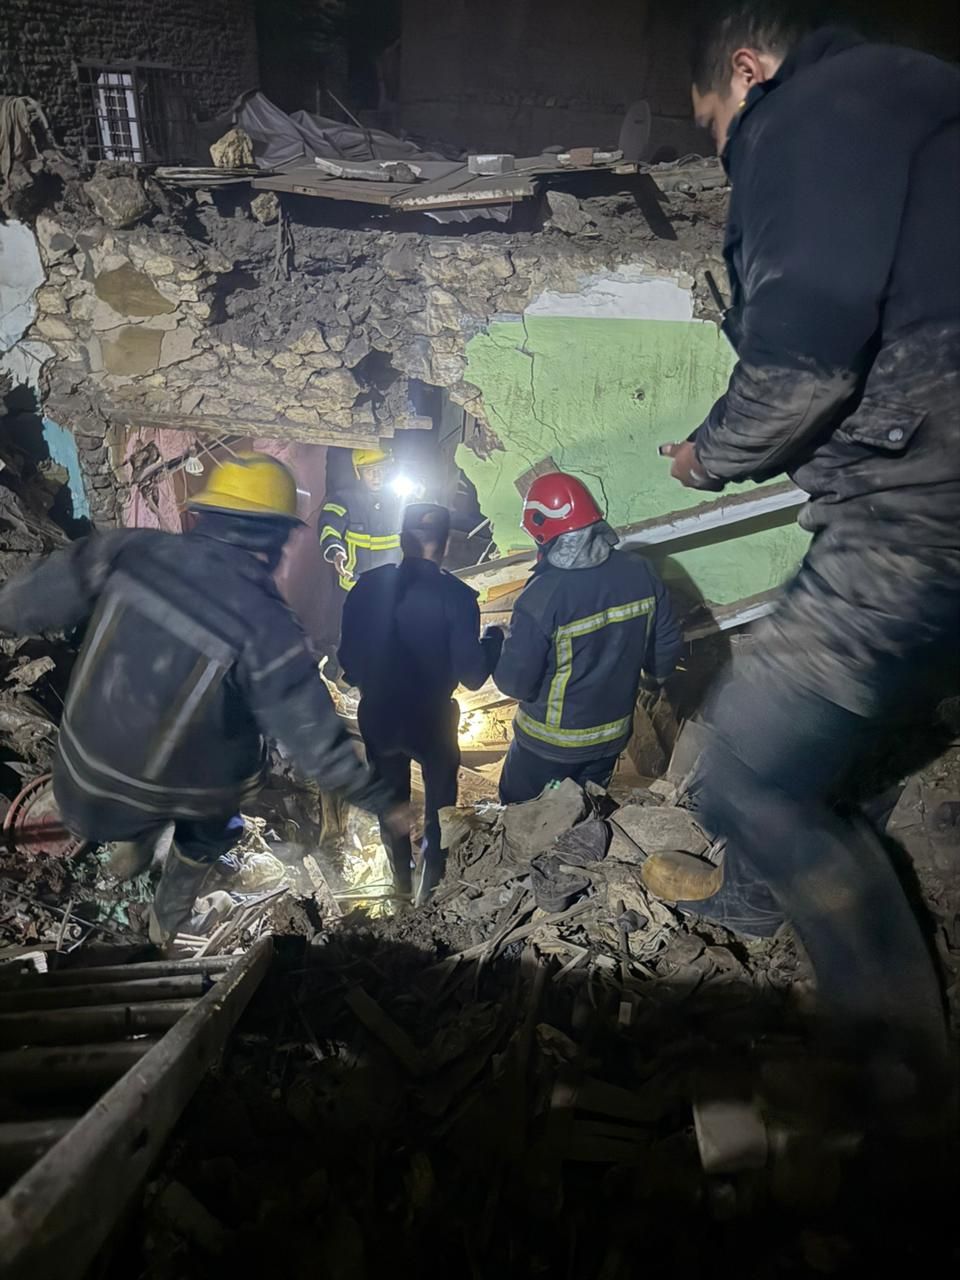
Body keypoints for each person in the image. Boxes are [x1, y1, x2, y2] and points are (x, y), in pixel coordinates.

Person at [659, 5, 960, 1113]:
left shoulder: (811, 112)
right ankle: (759, 900)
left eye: (716, 128)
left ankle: (896, 1095)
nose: (727, 154)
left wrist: (708, 456)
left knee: (746, 768)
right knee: (866, 731)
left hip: (922, 503)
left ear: (748, 70)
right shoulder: (919, 99)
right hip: (930, 488)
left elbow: (802, 366)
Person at [0, 452, 398, 944]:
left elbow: (26, 600)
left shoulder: (130, 551)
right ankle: (165, 921)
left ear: (205, 515)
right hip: (173, 797)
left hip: (79, 782)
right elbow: (313, 739)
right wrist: (382, 800)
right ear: (275, 538)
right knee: (222, 814)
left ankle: (135, 840)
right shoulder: (267, 625)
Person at [339, 503, 502, 904]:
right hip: (432, 718)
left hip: (380, 714)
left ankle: (399, 886)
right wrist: (495, 640)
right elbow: (473, 675)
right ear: (445, 546)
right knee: (439, 808)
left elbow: (348, 664)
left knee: (391, 803)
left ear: (401, 540)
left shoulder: (367, 588)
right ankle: (430, 888)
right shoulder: (457, 597)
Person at [494, 473, 682, 805]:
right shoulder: (640, 571)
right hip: (610, 740)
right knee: (586, 811)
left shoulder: (542, 596)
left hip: (548, 748)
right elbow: (665, 644)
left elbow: (515, 684)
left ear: (543, 532)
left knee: (523, 813)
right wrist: (651, 683)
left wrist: (498, 647)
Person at [319, 448, 402, 595]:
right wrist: (335, 551)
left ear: (387, 470)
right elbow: (329, 527)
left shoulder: (400, 498)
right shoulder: (344, 499)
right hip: (355, 584)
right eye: (369, 471)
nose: (376, 476)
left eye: (380, 469)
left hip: (392, 583)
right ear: (359, 473)